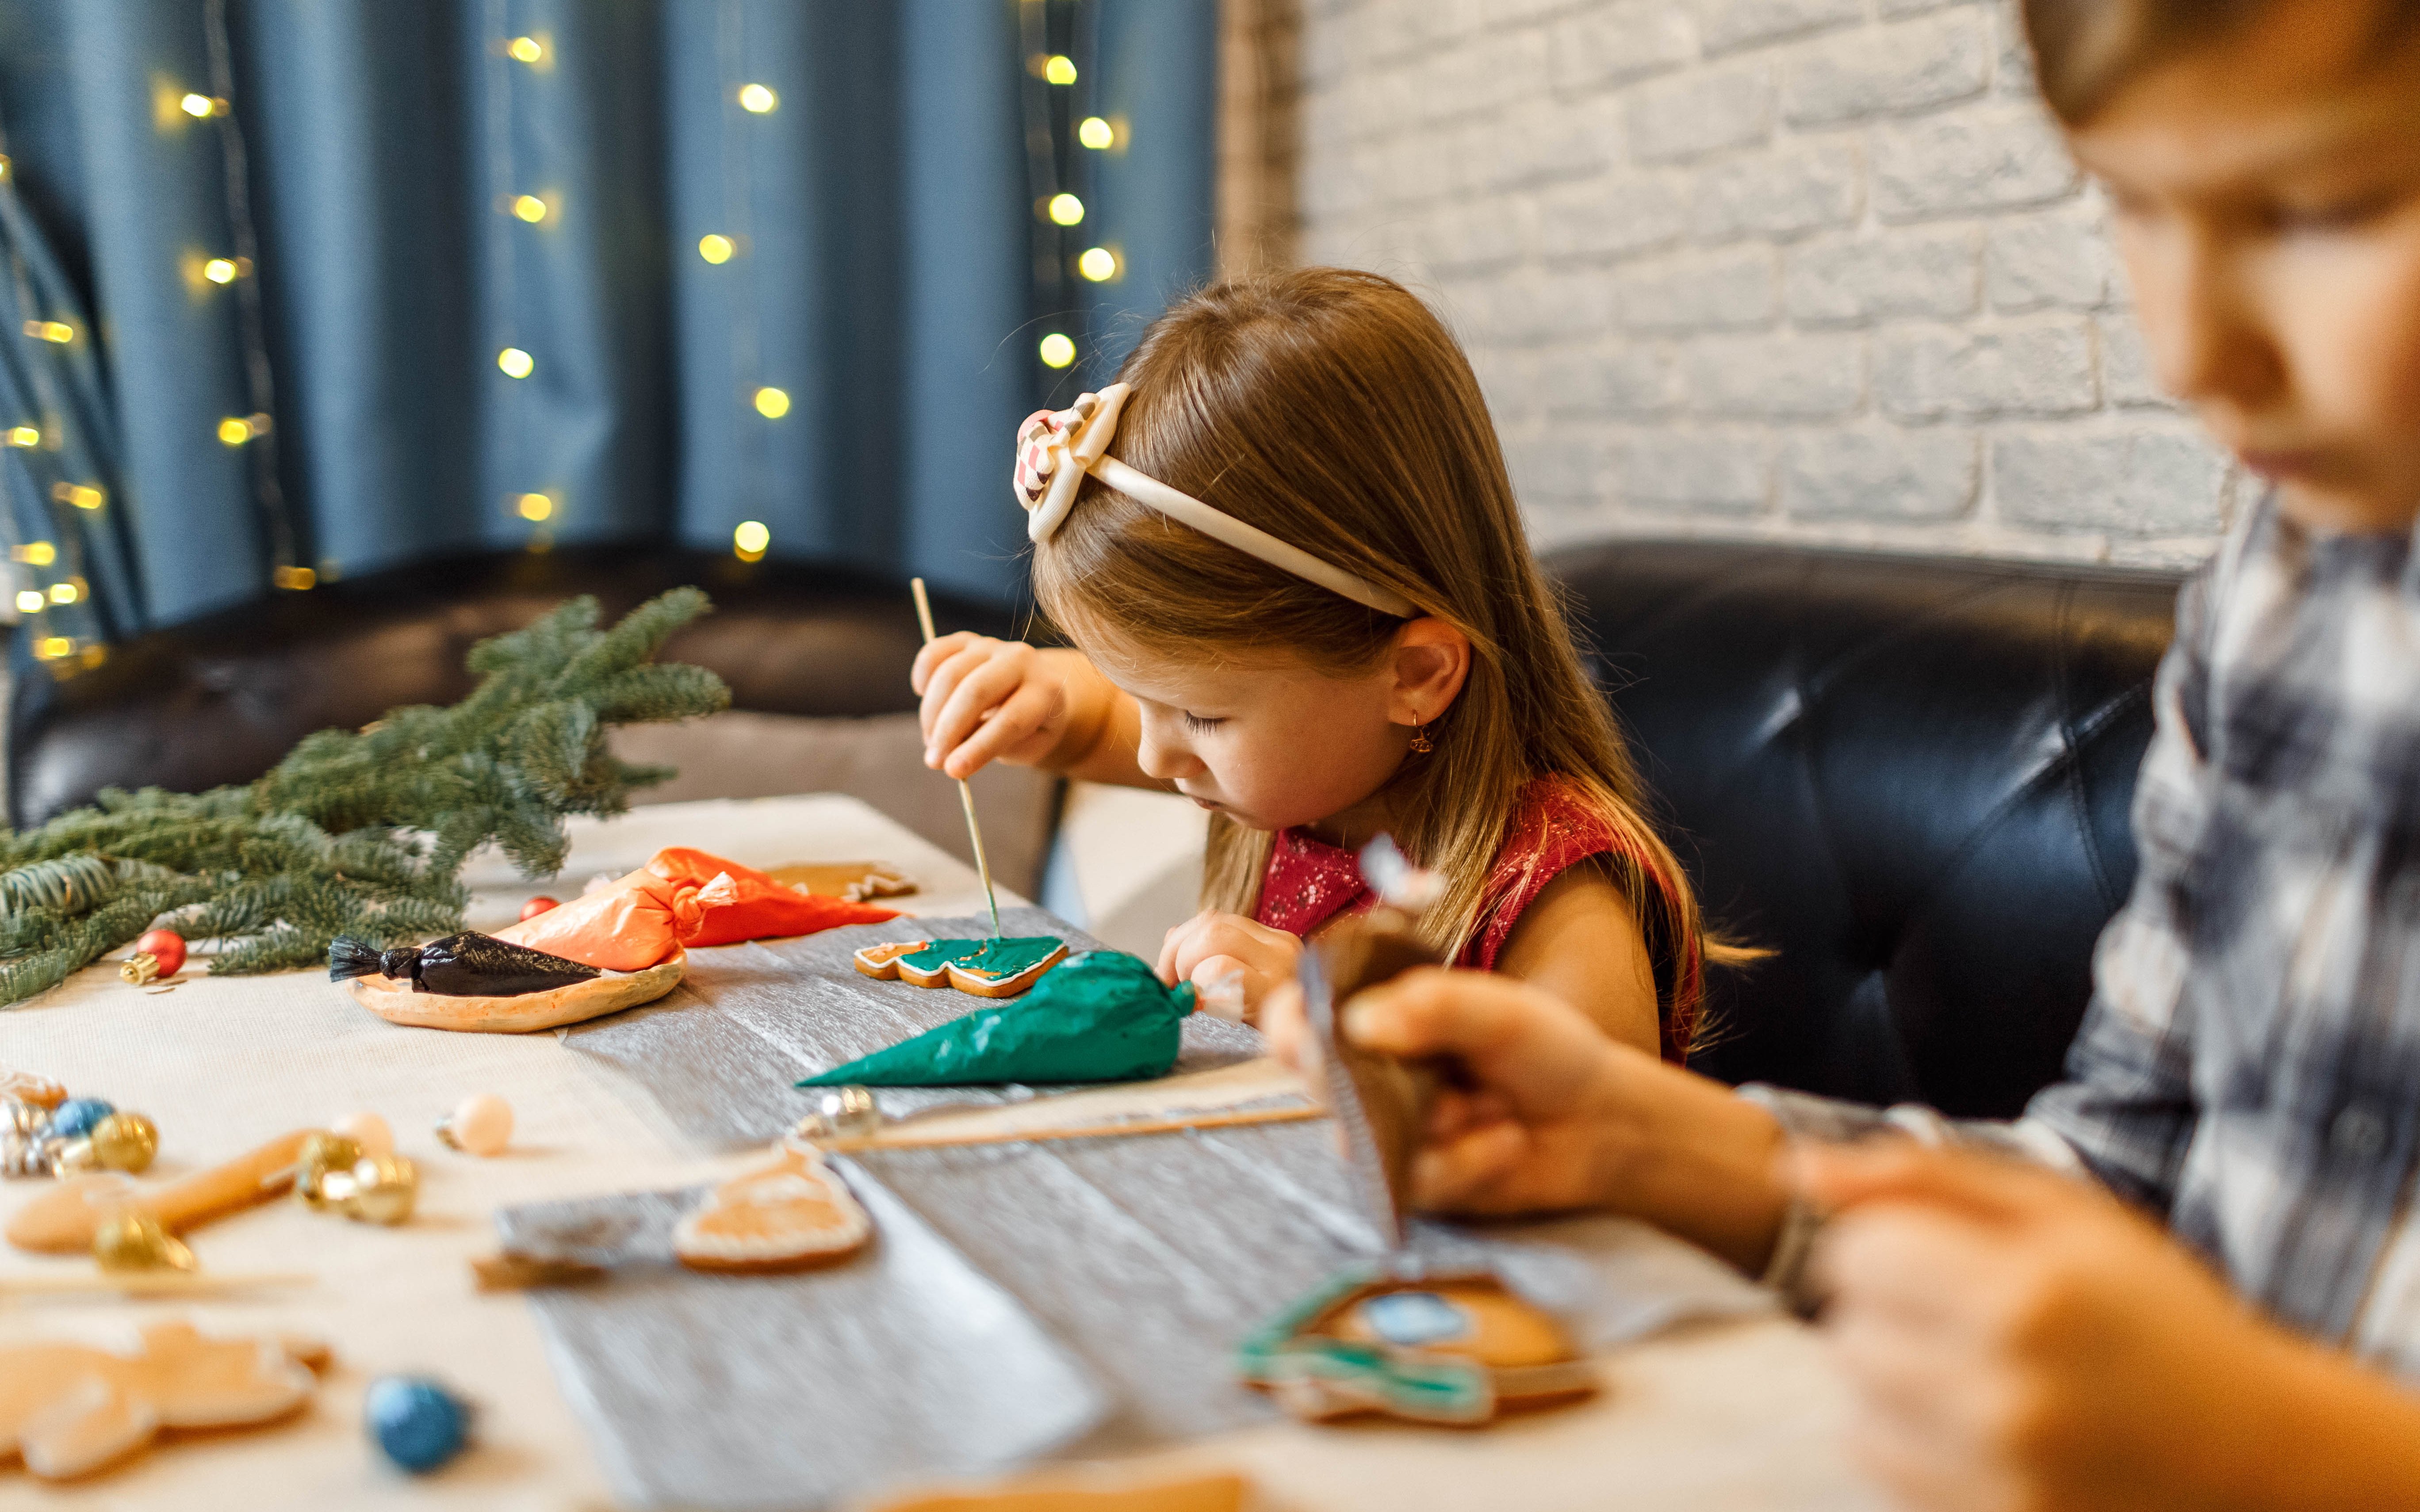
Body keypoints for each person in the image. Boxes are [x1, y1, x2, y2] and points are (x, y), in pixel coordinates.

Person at [1265, 0, 2420, 1506]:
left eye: (2318, 209)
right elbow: (2123, 1176)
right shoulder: (2290, 582)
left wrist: (2274, 1454)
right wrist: (1647, 1146)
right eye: (2134, 204)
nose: (2192, 350)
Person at [913, 269, 1749, 1060]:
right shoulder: (1318, 753)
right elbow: (1101, 718)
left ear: (1416, 675)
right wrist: (1045, 705)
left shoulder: (1555, 901)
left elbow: (1598, 1152)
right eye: (1140, 695)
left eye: (1200, 717)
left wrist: (1328, 1017)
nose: (1151, 755)